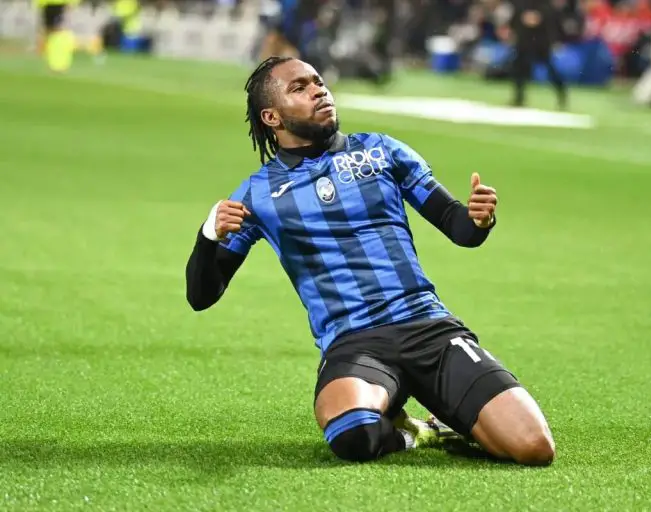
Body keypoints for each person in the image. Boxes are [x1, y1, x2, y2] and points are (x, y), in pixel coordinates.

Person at [185, 56, 556, 465]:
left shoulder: (382, 151)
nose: (318, 91)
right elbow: (202, 296)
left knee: (533, 447)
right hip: (355, 343)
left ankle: (452, 413)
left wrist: (478, 219)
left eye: (318, 82)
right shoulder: (255, 195)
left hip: (428, 328)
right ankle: (416, 432)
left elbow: (459, 228)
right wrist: (208, 236)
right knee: (353, 436)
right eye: (300, 88)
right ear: (271, 117)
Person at [508, 0, 567, 109]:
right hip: (524, 40)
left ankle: (562, 93)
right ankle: (519, 97)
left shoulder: (543, 5)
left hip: (540, 42)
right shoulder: (522, 3)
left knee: (549, 68)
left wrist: (535, 17)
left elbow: (544, 17)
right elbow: (518, 16)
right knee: (519, 68)